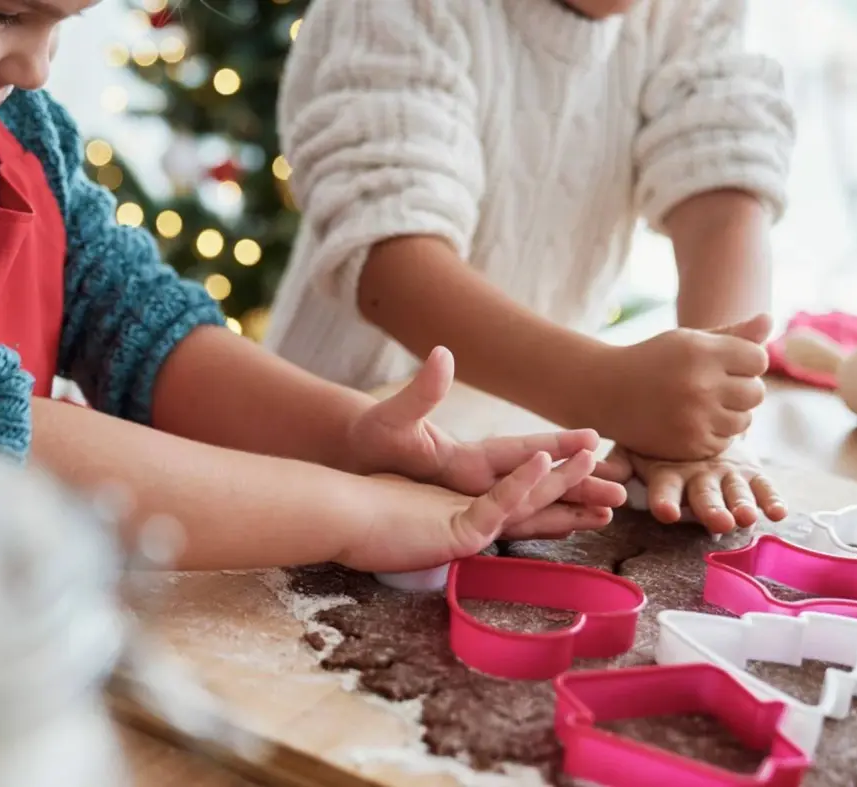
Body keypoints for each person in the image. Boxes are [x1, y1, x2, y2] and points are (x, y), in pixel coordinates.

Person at [0, 0, 628, 575]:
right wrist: (355, 514)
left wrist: (353, 437)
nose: (35, 68)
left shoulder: (17, 125)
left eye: (62, 21)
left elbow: (131, 320)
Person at [266, 0, 797, 534]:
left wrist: (706, 424)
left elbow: (723, 187)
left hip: (533, 451)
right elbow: (391, 261)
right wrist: (610, 392)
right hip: (329, 443)